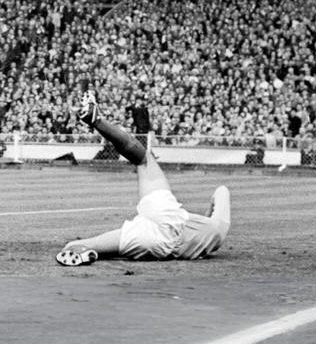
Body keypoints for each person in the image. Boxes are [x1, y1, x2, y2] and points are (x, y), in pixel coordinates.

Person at [56, 90, 230, 266]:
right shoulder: (213, 239)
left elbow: (222, 191)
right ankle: (87, 254)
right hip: (155, 245)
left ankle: (97, 120)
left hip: (169, 217)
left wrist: (207, 216)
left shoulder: (218, 228)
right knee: (81, 245)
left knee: (144, 160)